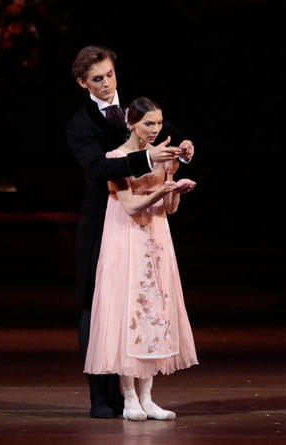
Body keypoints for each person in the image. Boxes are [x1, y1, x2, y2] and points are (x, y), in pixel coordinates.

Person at [66, 46, 195, 418]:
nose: (106, 84)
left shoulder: (135, 112)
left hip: (144, 224)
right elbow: (97, 169)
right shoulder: (79, 123)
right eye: (96, 79)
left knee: (143, 302)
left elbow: (168, 137)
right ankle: (102, 396)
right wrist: (147, 159)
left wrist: (184, 150)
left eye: (109, 75)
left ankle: (138, 394)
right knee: (96, 303)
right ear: (82, 82)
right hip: (103, 219)